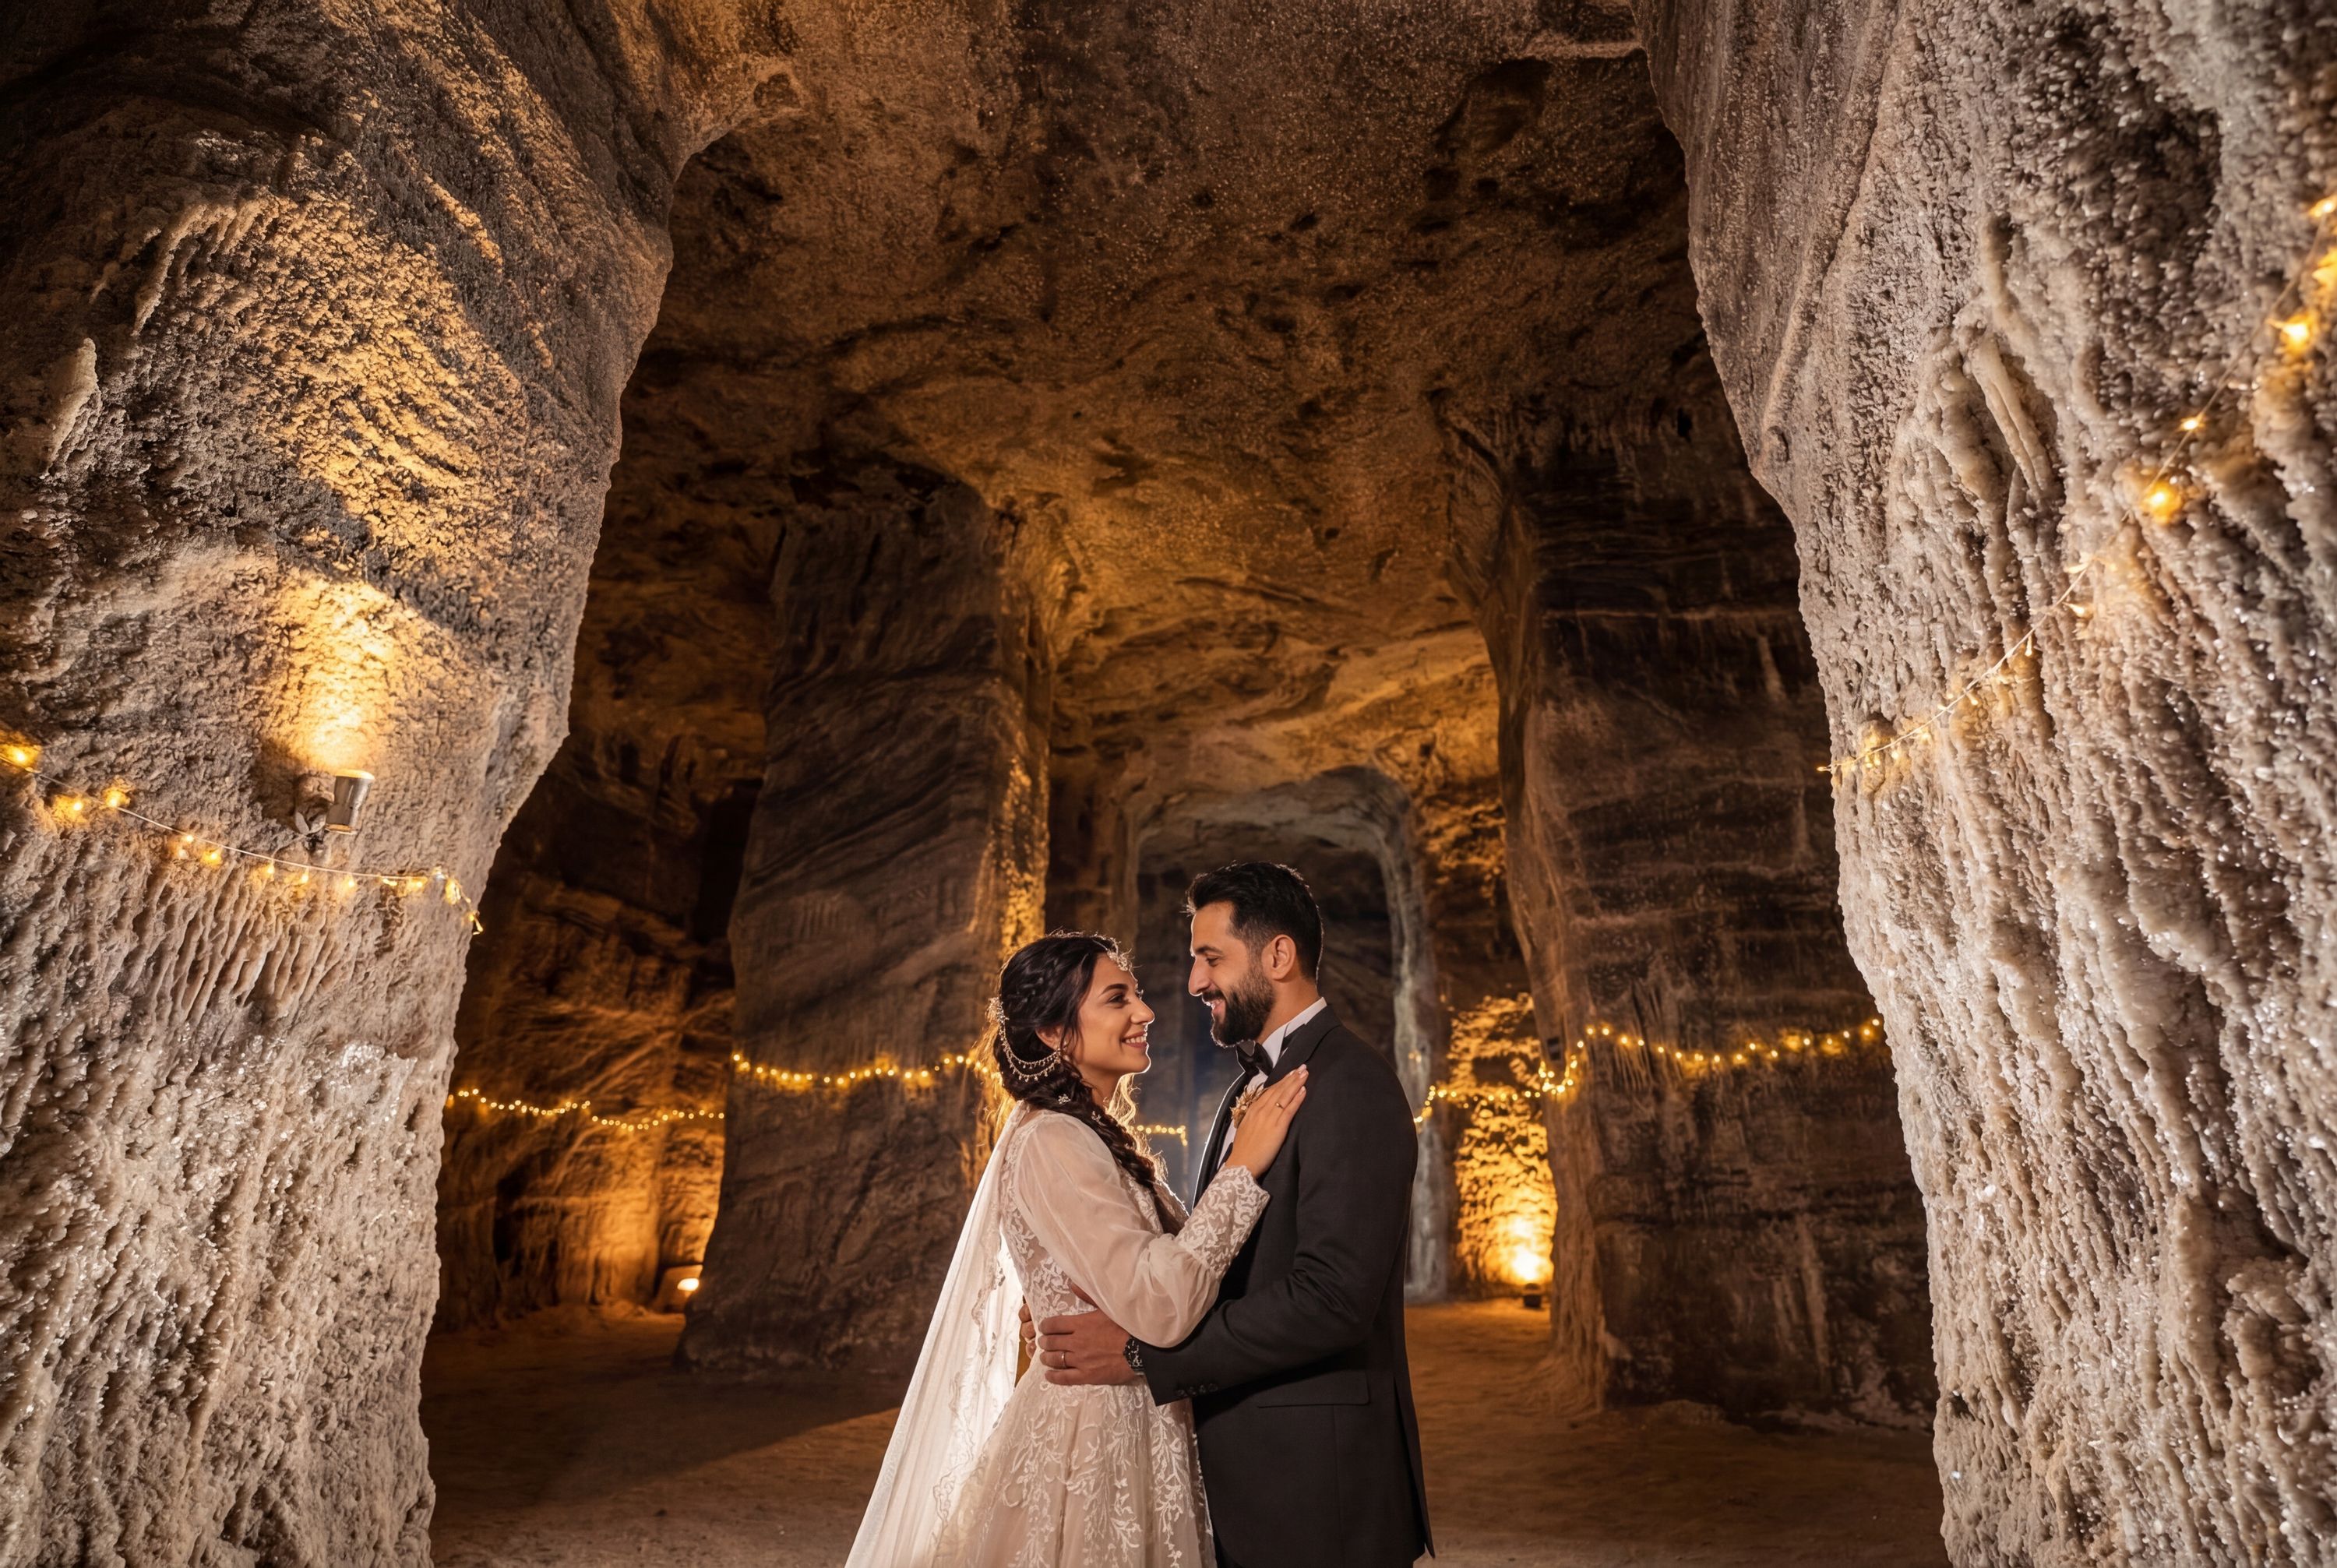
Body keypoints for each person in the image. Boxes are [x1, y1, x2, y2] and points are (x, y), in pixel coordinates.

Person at [845, 930, 1307, 1567]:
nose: (1145, 1012)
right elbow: (1161, 1302)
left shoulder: (1091, 1134)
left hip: (1132, 1416)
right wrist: (1244, 1167)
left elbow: (1142, 1279)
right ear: (1053, 1033)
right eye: (1117, 998)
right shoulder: (1052, 1142)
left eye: (1137, 993)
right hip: (1090, 1439)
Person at [1035, 862, 1433, 1568]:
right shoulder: (1253, 1085)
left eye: (1211, 957)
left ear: (1278, 956)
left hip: (1317, 1492)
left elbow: (1332, 1301)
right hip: (1249, 1480)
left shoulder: (1350, 1086)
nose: (1193, 983)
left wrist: (1142, 1353)